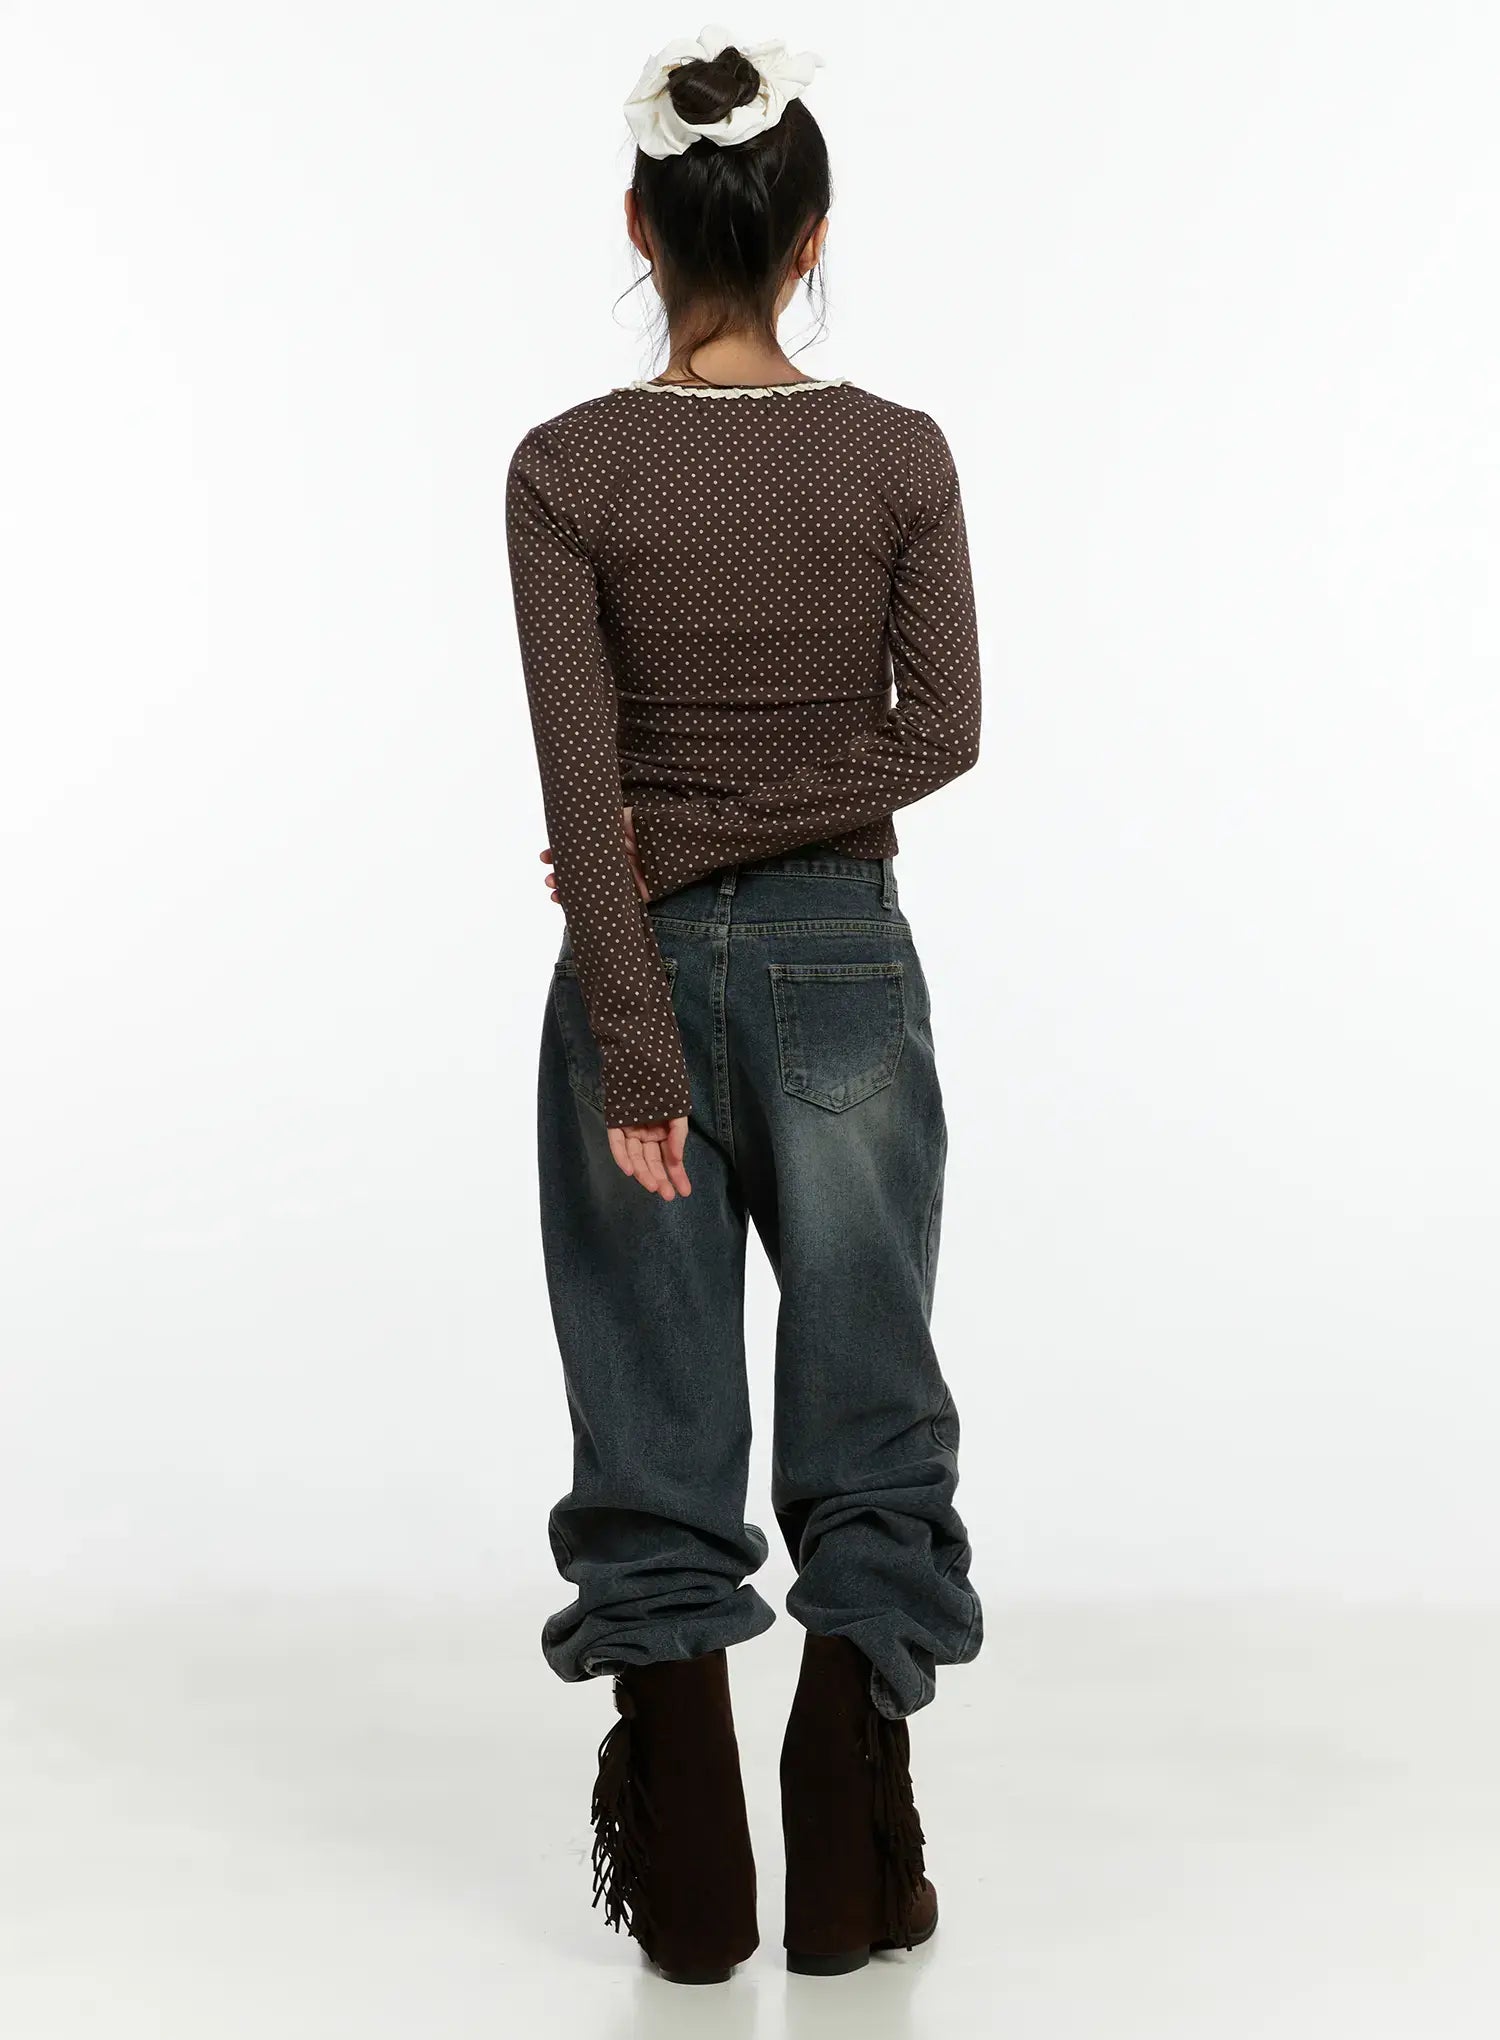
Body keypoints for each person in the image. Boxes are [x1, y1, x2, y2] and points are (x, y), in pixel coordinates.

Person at [504, 22, 985, 1985]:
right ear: (811, 235)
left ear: (640, 224)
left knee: (653, 1403)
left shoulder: (568, 471)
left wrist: (645, 980)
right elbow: (937, 735)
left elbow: (583, 793)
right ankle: (853, 1857)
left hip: (635, 964)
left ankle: (693, 1883)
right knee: (868, 1392)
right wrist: (737, 833)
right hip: (846, 971)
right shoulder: (896, 455)